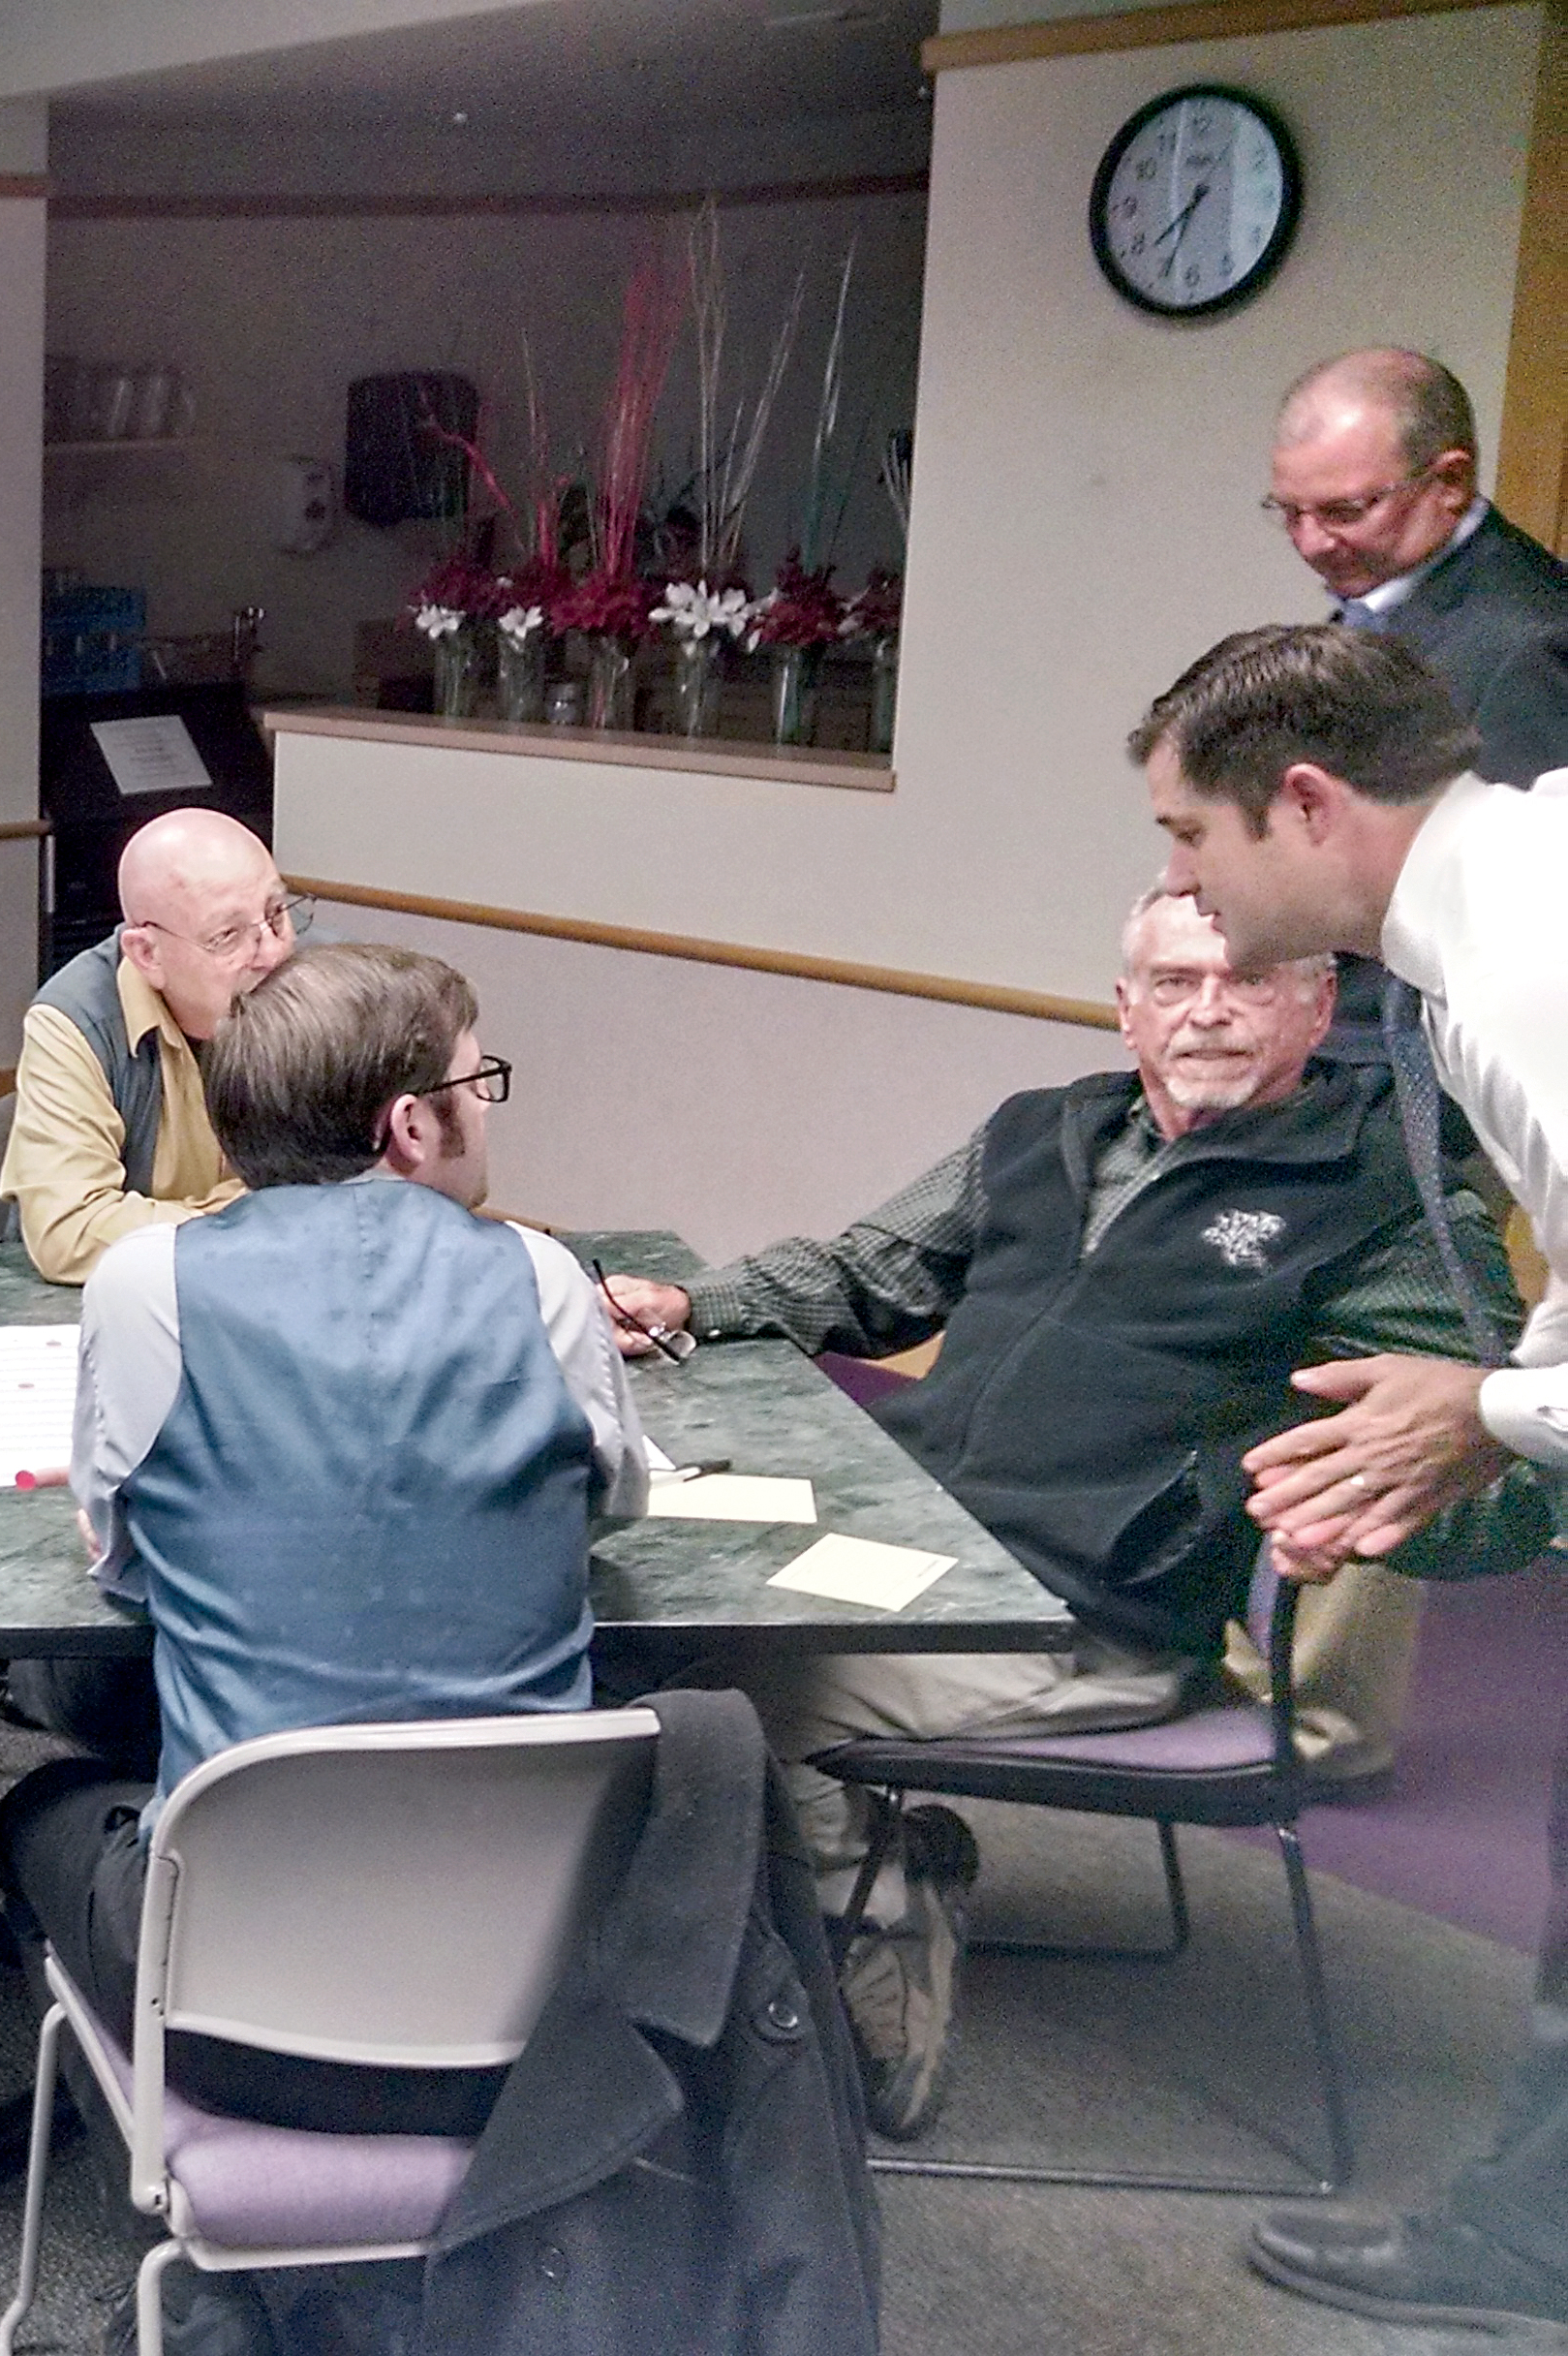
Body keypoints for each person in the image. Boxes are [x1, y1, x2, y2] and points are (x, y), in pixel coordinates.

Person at [608, 884, 1544, 2137]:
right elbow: (864, 1275)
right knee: (618, 1619)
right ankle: (775, 1909)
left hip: (1091, 1614)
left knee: (731, 1710)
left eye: (1248, 979)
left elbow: (1504, 1488)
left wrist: (1374, 1511)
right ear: (1126, 1008)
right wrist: (693, 1303)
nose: (1206, 1011)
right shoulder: (1040, 1130)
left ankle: (879, 1969)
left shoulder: (1384, 1199)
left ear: (1318, 1004)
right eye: (1173, 984)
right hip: (902, 1542)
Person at [0, 940, 646, 2138]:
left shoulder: (145, 1285)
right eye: (475, 1082)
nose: (482, 1111)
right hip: (543, 2002)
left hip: (230, 2020)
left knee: (38, 1811)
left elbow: (121, 1559)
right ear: (409, 1124)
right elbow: (610, 1509)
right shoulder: (545, 1279)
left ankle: (144, 2149)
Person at [1123, 624, 1568, 2333]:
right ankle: (1532, 2239)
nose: (1180, 875)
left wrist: (1493, 1414)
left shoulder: (1519, 968)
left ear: (1304, 803)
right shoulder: (1498, 891)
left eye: (1190, 834)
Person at [0, 807, 296, 1285]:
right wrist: (265, 1218)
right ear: (147, 954)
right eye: (226, 936)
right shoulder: (74, 1022)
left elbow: (403, 1182)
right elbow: (70, 1235)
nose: (273, 952)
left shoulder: (331, 987)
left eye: (277, 914)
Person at [1276, 349, 1568, 789]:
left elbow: (1528, 855)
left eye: (1346, 511)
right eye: (1289, 512)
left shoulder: (1528, 647)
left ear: (1449, 483)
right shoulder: (1379, 598)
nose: (1310, 543)